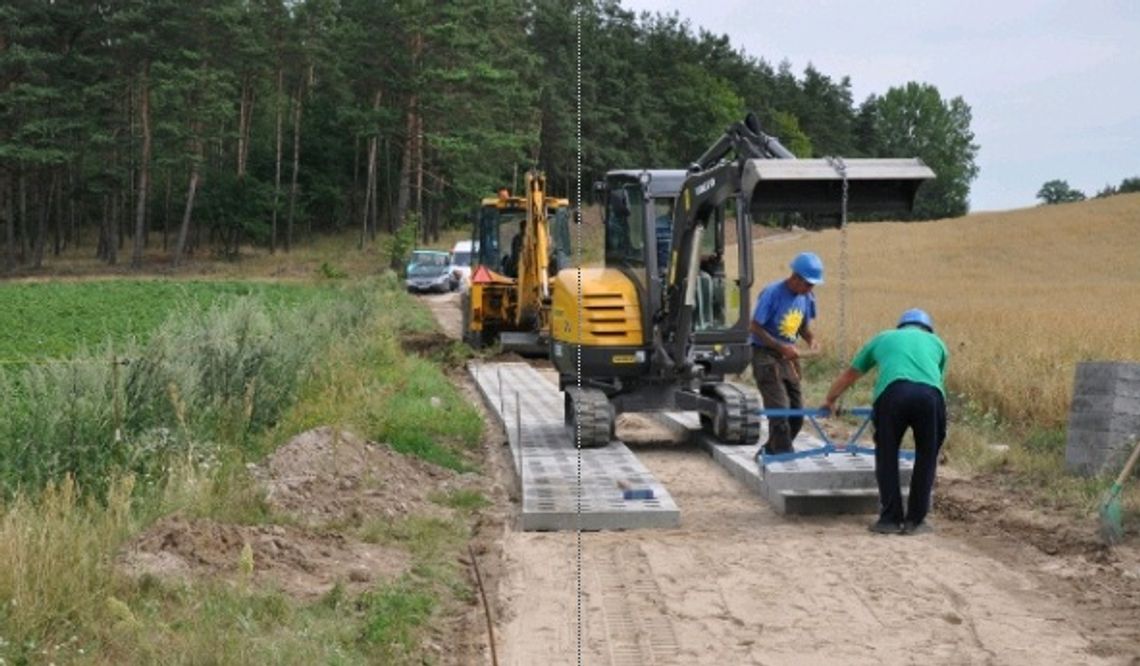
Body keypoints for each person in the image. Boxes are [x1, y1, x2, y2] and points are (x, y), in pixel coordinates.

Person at [822, 308, 949, 536]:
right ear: (927, 328)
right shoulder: (937, 343)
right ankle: (915, 522)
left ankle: (890, 519)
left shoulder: (883, 337)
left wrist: (830, 399)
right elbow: (936, 380)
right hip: (930, 397)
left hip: (893, 394)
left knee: (887, 454)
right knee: (926, 457)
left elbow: (850, 374)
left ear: (900, 326)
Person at [750, 251, 824, 455]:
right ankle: (784, 458)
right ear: (796, 277)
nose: (811, 288)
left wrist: (811, 340)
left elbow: (802, 326)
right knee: (780, 410)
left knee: (797, 414)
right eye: (808, 284)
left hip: (787, 358)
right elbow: (755, 327)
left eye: (813, 285)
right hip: (765, 354)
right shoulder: (772, 293)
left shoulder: (807, 297)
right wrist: (780, 347)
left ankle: (770, 452)